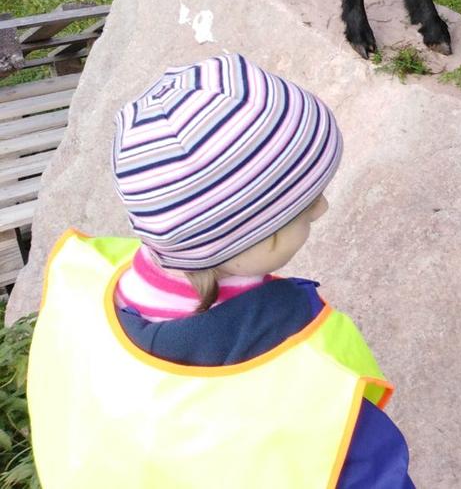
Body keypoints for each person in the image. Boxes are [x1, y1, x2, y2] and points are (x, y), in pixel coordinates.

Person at [27, 53, 415, 489]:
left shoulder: (83, 284)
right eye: (305, 207)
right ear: (251, 239)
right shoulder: (307, 382)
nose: (322, 208)